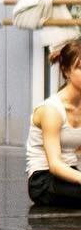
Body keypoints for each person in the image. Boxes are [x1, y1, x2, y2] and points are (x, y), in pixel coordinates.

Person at [27, 39, 81, 209]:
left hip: (71, 173)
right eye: (80, 67)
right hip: (44, 180)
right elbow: (55, 165)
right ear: (66, 71)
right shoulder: (51, 111)